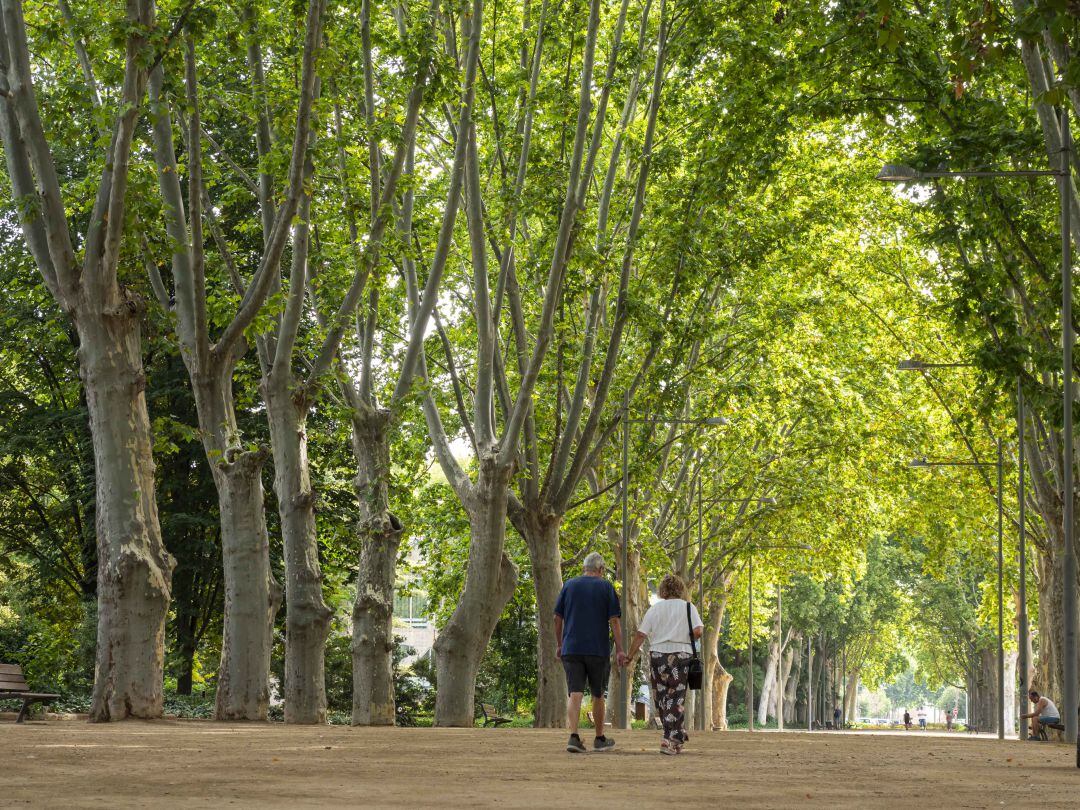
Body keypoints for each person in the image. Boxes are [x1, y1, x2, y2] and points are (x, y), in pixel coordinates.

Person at [624, 573, 704, 755]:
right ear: (680, 589)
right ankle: (671, 738)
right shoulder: (689, 608)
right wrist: (685, 636)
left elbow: (640, 634)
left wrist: (629, 655)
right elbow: (698, 631)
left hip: (658, 654)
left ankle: (673, 737)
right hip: (682, 655)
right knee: (676, 697)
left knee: (662, 696)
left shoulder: (654, 610)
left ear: (663, 590)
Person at [554, 551, 625, 753]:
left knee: (575, 693)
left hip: (572, 648)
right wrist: (619, 649)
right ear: (601, 569)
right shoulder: (606, 587)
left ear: (584, 568)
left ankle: (574, 737)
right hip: (597, 649)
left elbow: (557, 618)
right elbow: (615, 621)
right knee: (598, 694)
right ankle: (599, 738)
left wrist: (560, 644)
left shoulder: (568, 585)